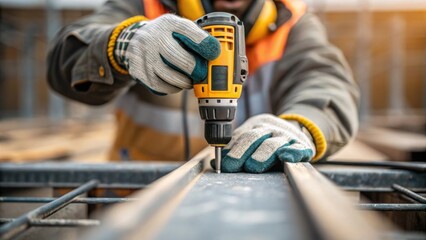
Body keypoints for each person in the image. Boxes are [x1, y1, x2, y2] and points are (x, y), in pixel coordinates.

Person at [47, 0, 359, 173]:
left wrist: (300, 126)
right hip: (139, 196)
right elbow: (64, 56)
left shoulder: (293, 23)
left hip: (251, 206)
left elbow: (326, 82)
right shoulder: (144, 5)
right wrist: (122, 45)